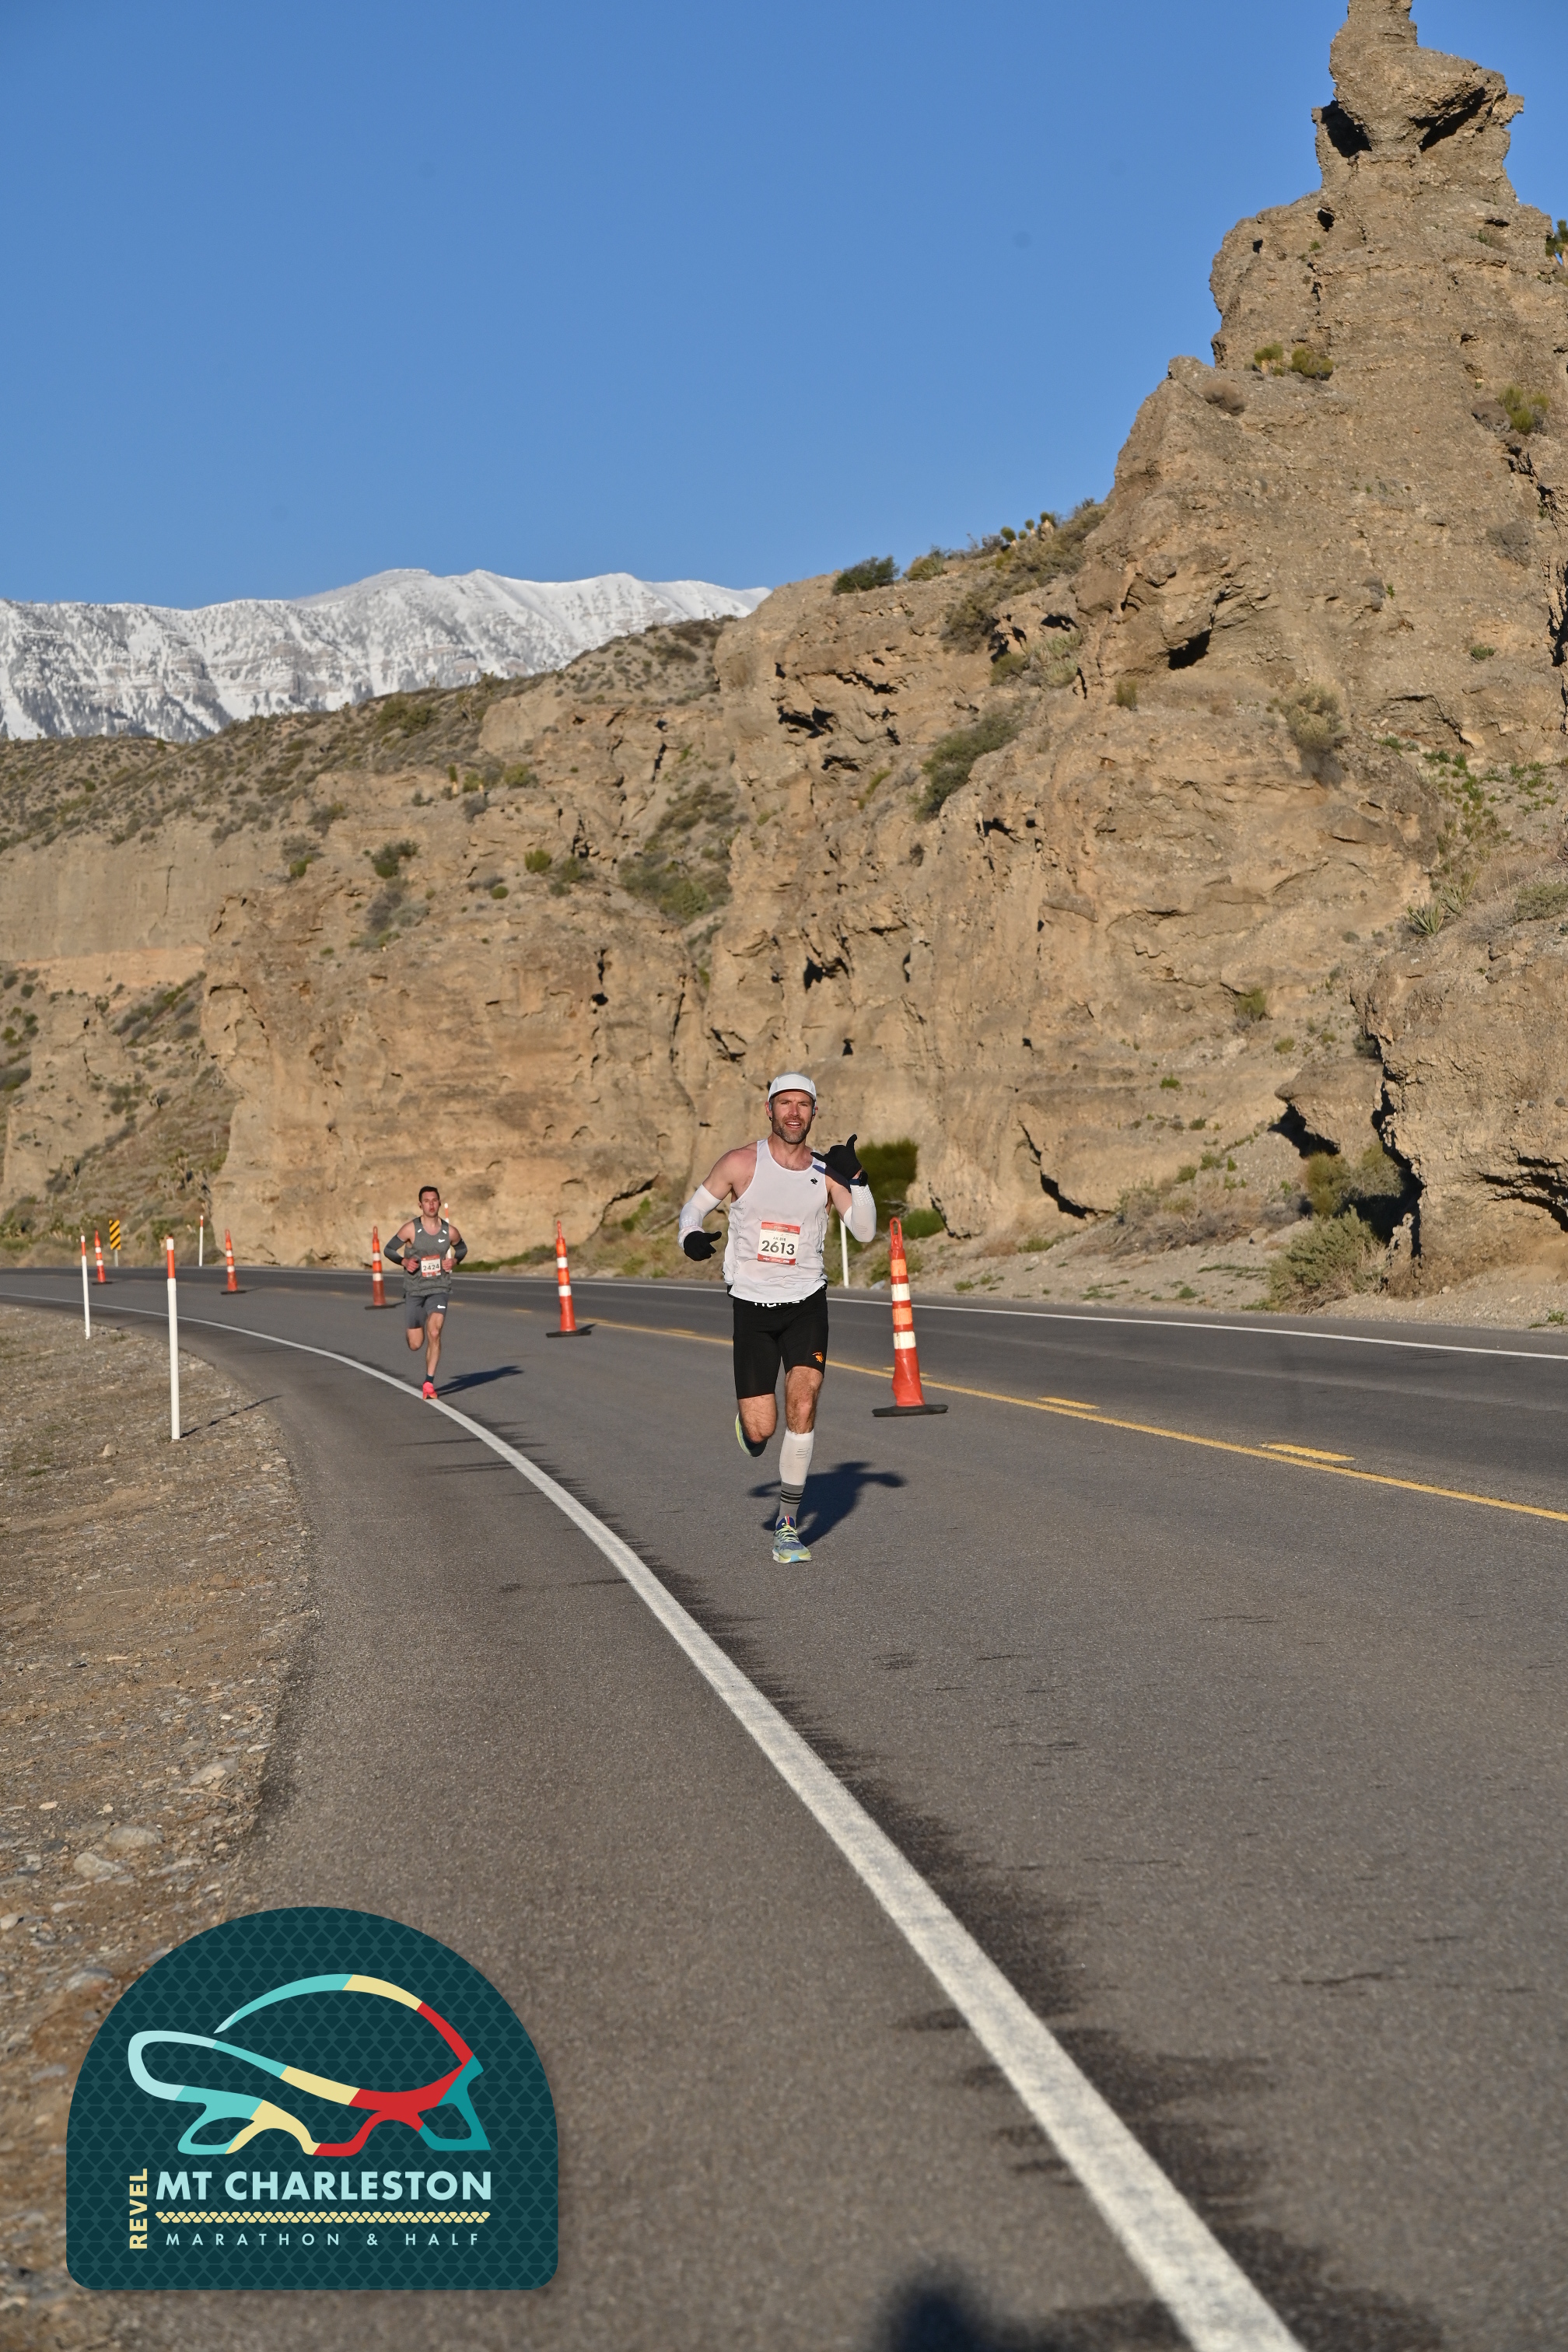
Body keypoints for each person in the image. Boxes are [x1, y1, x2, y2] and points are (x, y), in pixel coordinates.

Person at [678, 1073, 876, 1563]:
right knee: (762, 1429)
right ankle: (750, 1429)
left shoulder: (827, 1172)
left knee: (804, 1402)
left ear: (814, 1112)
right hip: (751, 1305)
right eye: (784, 1104)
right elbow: (693, 1209)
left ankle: (787, 1526)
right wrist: (691, 1237)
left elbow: (865, 1231)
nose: (793, 1113)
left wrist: (858, 1180)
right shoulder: (741, 1163)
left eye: (802, 1105)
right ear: (769, 1110)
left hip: (807, 1301)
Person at [384, 1186, 467, 1398]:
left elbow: (462, 1248)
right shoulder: (411, 1229)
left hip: (439, 1287)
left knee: (435, 1332)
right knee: (415, 1344)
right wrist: (404, 1261)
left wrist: (454, 1261)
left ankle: (429, 1382)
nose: (431, 1204)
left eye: (434, 1200)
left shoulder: (449, 1231)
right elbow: (389, 1249)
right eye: (427, 1201)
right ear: (420, 1205)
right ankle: (414, 1325)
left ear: (439, 1202)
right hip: (415, 1289)